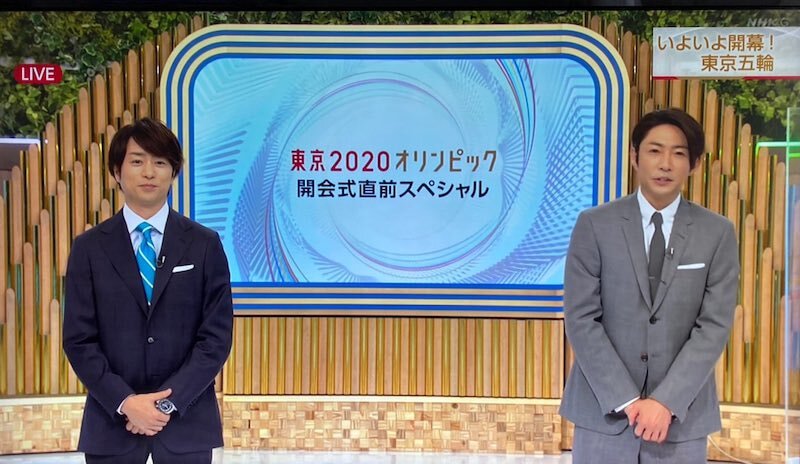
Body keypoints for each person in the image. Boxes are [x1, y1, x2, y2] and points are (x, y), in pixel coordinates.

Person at [559, 108, 739, 463]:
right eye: (655, 151)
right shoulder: (594, 225)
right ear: (634, 157)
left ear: (694, 164)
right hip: (604, 414)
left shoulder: (717, 232)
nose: (665, 164)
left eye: (679, 153)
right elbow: (581, 318)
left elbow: (714, 325)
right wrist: (627, 400)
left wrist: (665, 401)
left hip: (681, 420)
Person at [63, 117, 234, 464]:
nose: (149, 172)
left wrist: (166, 404)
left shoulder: (204, 244)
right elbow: (79, 340)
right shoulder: (89, 248)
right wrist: (126, 403)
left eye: (160, 162)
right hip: (112, 425)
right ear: (117, 171)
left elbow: (216, 337)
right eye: (137, 161)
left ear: (173, 173)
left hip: (186, 423)